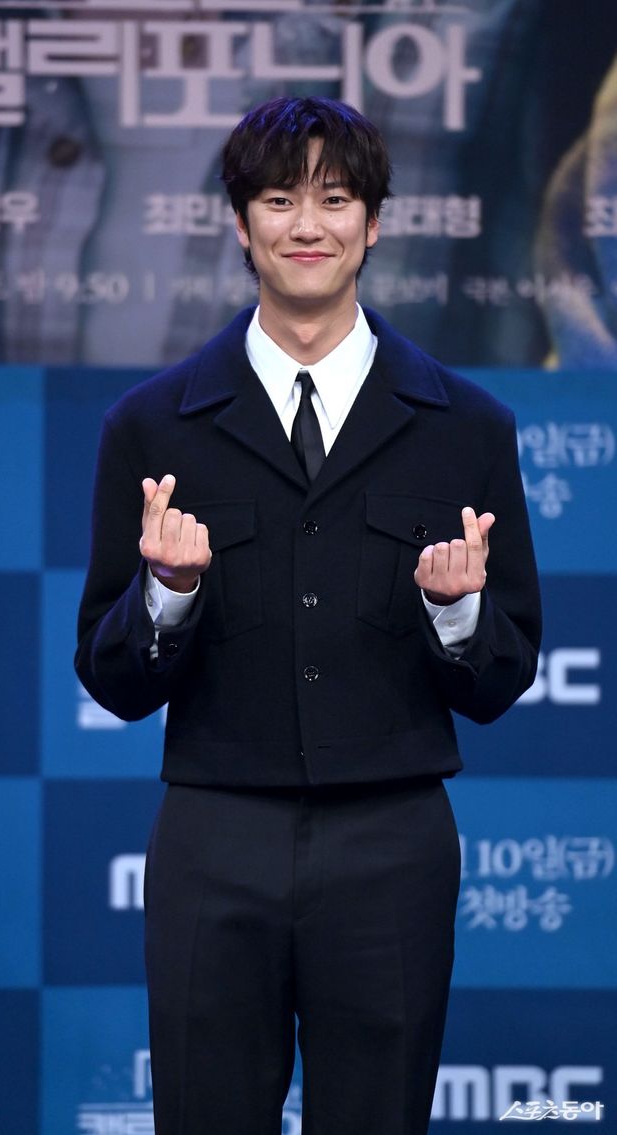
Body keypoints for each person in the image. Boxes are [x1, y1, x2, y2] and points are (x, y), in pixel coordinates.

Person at [76, 96, 541, 1135]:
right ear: (241, 226)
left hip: (392, 843)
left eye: (334, 200)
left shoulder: (468, 427)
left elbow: (504, 676)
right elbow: (111, 678)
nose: (307, 225)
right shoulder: (151, 425)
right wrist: (169, 592)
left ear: (373, 224)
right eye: (279, 200)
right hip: (213, 837)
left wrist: (457, 613)